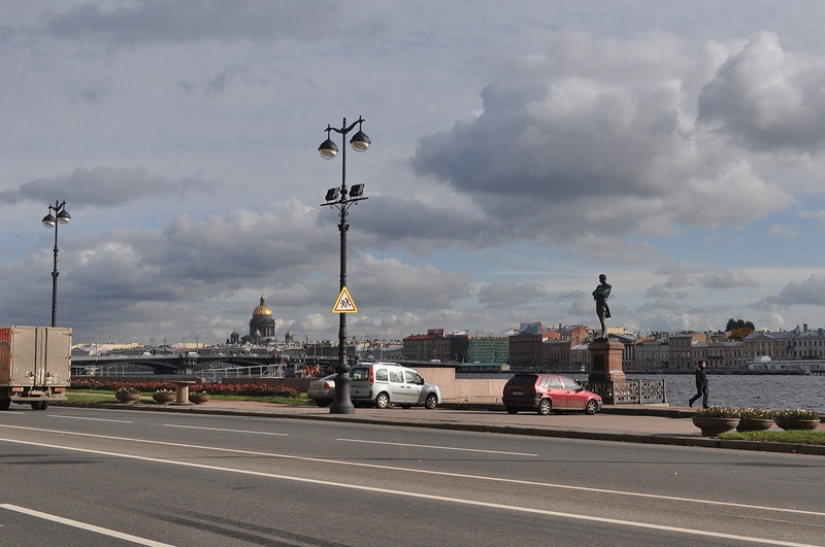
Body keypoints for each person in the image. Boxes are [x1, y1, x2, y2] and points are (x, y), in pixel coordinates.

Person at [592, 274, 612, 339]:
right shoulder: (599, 286)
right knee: (600, 319)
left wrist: (597, 294)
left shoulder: (608, 286)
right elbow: (593, 293)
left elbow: (603, 293)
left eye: (600, 279)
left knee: (602, 319)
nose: (599, 280)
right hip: (598, 303)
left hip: (603, 303)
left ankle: (604, 334)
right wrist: (598, 294)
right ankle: (604, 333)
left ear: (604, 279)